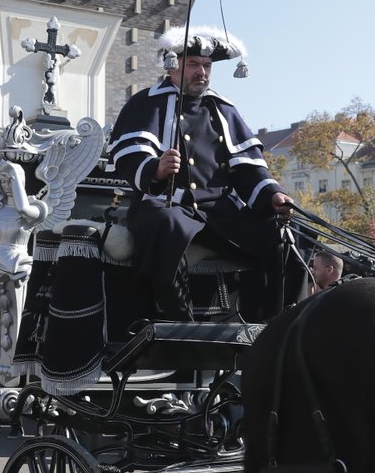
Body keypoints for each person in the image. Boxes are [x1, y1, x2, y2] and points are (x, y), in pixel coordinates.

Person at [106, 25, 294, 319]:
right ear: (172, 66)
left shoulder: (223, 109)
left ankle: (274, 322)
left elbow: (248, 167)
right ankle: (177, 321)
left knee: (285, 235)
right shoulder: (146, 102)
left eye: (206, 66)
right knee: (167, 224)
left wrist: (273, 195)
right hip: (166, 204)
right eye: (193, 64)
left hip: (220, 210)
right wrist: (156, 168)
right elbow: (129, 153)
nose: (202, 72)